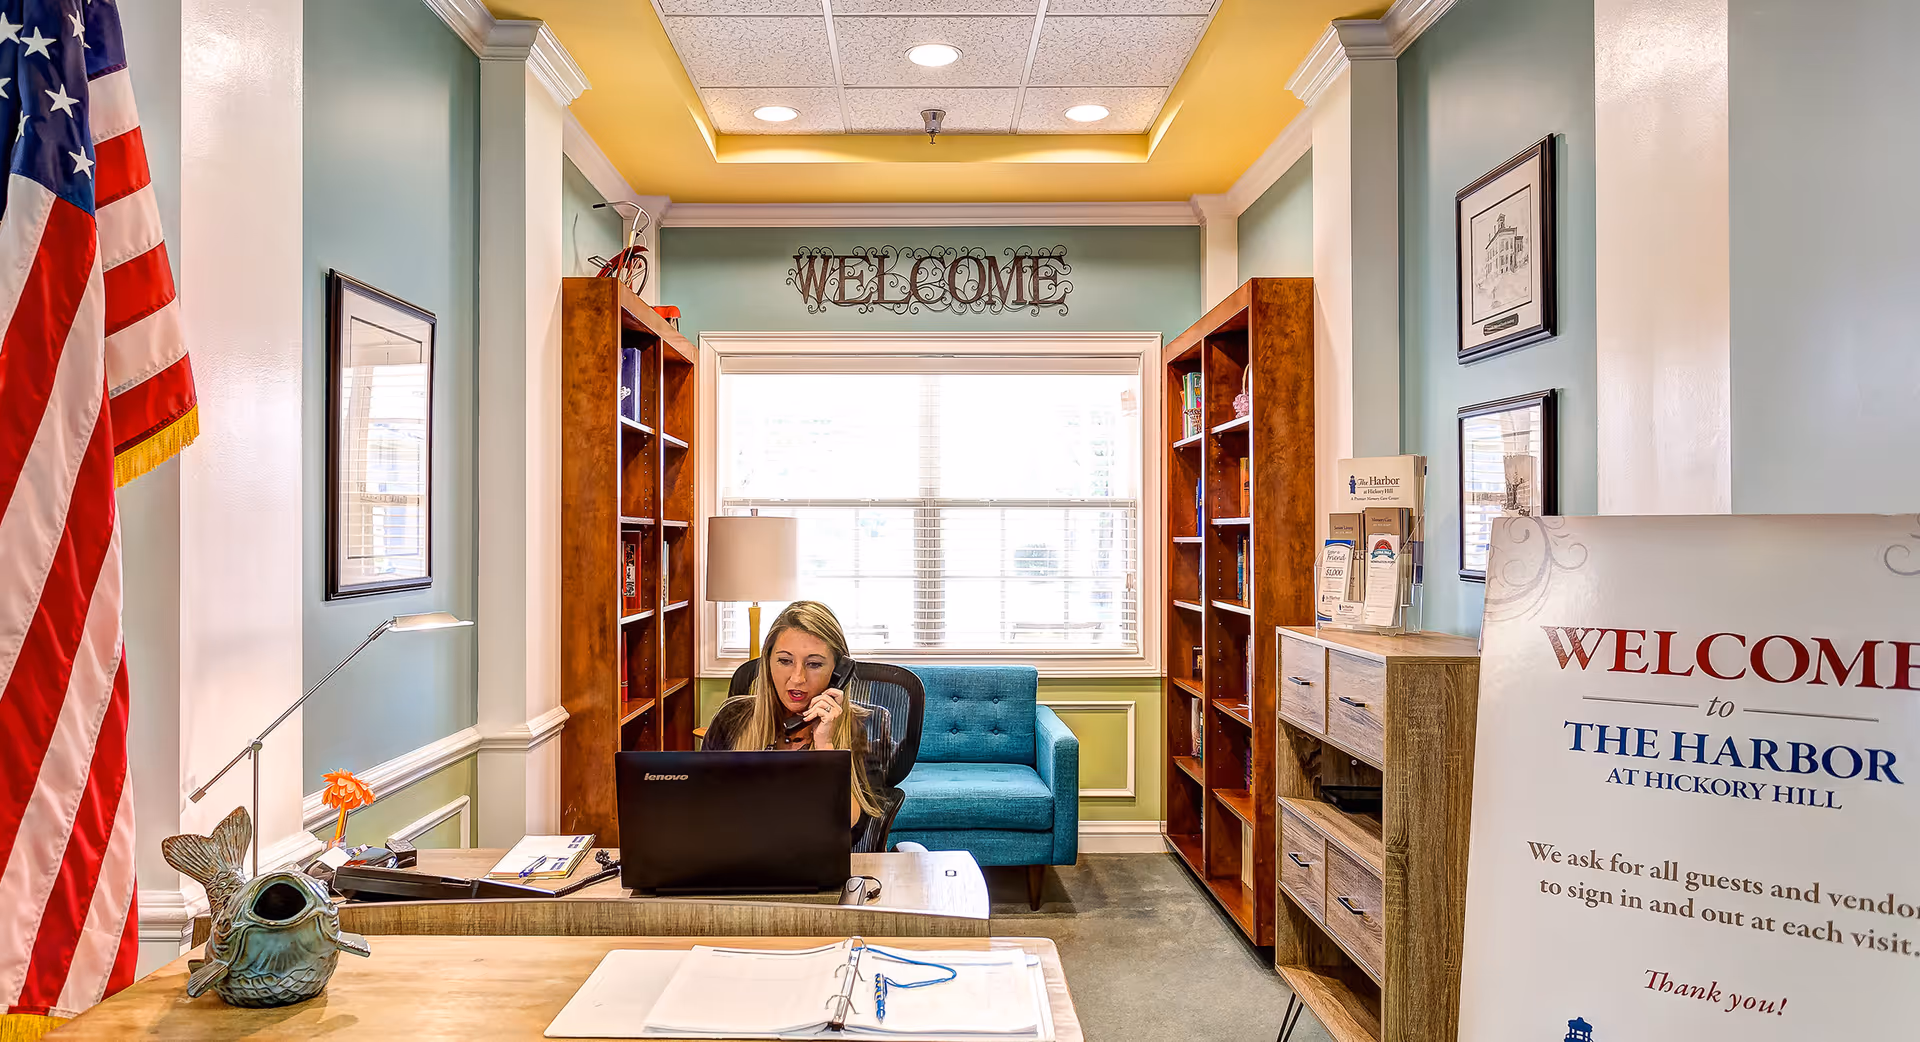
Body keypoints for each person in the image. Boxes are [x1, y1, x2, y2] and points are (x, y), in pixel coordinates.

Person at [699, 601, 898, 851]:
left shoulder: (865, 727)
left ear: (839, 671)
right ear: (767, 663)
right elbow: (701, 811)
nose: (797, 678)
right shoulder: (732, 718)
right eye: (784, 661)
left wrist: (826, 745)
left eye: (814, 664)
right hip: (735, 866)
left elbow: (845, 830)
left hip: (817, 874)